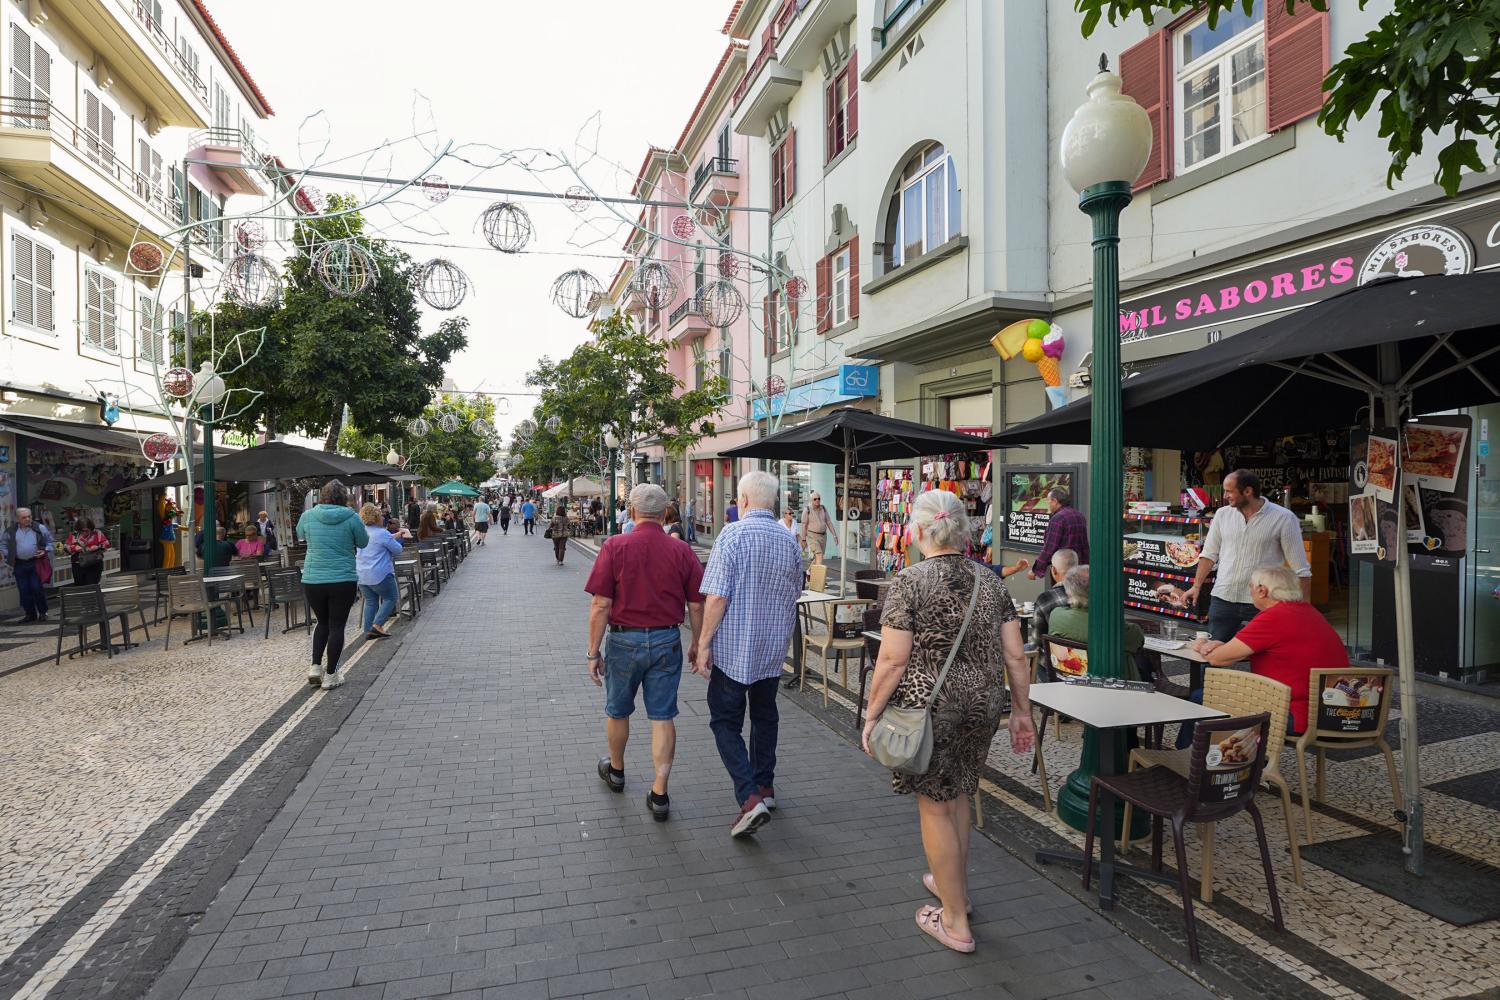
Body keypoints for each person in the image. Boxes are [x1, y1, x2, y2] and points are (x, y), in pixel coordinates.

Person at [860, 489, 1035, 954]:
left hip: (929, 707)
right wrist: (1021, 711)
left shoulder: (909, 581)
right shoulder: (991, 581)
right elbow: (1016, 656)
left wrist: (871, 713)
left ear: (918, 532)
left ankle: (954, 920)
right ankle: (949, 885)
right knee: (958, 794)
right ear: (963, 530)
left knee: (935, 804)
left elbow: (893, 661)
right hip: (983, 703)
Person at [690, 471, 804, 838]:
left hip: (734, 650)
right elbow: (795, 589)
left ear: (742, 500)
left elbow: (717, 595)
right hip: (772, 649)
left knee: (725, 722)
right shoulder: (789, 541)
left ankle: (749, 797)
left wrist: (703, 643)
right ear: (773, 502)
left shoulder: (732, 536)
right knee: (765, 716)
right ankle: (765, 786)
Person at [583, 484, 705, 822]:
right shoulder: (681, 550)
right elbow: (696, 604)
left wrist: (593, 652)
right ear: (666, 512)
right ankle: (660, 791)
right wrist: (697, 642)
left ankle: (617, 771)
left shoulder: (615, 546)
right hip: (667, 640)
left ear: (633, 512)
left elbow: (601, 604)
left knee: (618, 711)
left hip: (624, 640)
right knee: (662, 716)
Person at [1187, 565, 1347, 738]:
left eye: (1251, 587)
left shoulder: (1274, 617)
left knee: (1200, 697)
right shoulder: (1308, 611)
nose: (1250, 592)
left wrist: (1204, 645)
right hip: (1334, 712)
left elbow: (1218, 659)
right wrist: (1223, 646)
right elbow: (1281, 648)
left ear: (1262, 590)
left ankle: (1189, 759)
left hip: (1298, 715)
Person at [1169, 470, 1312, 644]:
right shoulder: (1222, 514)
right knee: (1211, 654)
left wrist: (1304, 609)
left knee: (1264, 656)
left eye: (1229, 491)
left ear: (1248, 491)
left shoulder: (1284, 518)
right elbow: (1209, 554)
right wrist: (1196, 586)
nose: (1225, 495)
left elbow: (1302, 570)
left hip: (1263, 602)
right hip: (1223, 597)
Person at [297, 480, 369, 690]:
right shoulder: (352, 517)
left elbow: (301, 535)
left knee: (322, 622)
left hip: (313, 579)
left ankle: (315, 667)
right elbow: (363, 542)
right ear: (344, 497)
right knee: (337, 626)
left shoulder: (308, 516)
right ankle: (331, 675)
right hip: (342, 578)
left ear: (322, 495)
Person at [1044, 565, 1146, 674]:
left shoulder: (1056, 616)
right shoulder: (1114, 627)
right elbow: (1138, 642)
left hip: (1070, 682)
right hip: (1114, 684)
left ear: (1069, 591)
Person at [356, 503, 403, 639]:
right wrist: (398, 538)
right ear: (376, 517)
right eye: (381, 516)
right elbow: (398, 550)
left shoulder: (362, 532)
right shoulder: (382, 533)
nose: (383, 518)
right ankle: (377, 625)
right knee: (391, 598)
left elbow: (374, 543)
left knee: (371, 602)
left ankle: (368, 630)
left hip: (362, 574)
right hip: (380, 574)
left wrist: (392, 537)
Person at [1027, 488, 1089, 581]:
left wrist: (1035, 570)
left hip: (1063, 570)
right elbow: (1084, 545)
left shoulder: (1058, 519)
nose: (1048, 505)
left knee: (1060, 595)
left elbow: (1049, 548)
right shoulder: (1079, 515)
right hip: (1079, 569)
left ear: (1055, 501)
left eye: (1048, 501)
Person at [4, 507, 53, 621]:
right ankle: (30, 614)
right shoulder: (11, 530)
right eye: (24, 517)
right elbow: (3, 545)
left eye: (29, 516)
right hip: (19, 564)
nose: (27, 519)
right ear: (17, 519)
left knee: (36, 587)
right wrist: (9, 555)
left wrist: (44, 550)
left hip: (36, 562)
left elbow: (50, 542)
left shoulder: (39, 528)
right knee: (23, 589)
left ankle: (43, 612)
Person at [1031, 548, 1079, 640]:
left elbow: (1037, 642)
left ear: (1053, 570)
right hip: (1085, 652)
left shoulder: (1045, 599)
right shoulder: (1090, 595)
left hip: (1054, 653)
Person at [64, 517, 110, 586]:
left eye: (87, 531)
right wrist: (75, 548)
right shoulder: (74, 535)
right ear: (78, 529)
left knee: (92, 585)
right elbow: (66, 547)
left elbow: (106, 544)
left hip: (94, 564)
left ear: (91, 528)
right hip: (78, 565)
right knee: (80, 587)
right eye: (82, 531)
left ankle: (93, 596)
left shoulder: (97, 533)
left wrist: (97, 547)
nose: (85, 533)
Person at [799, 492, 831, 563]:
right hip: (812, 535)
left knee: (819, 556)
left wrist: (835, 535)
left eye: (819, 499)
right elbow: (804, 525)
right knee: (819, 554)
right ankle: (818, 574)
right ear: (811, 500)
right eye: (815, 499)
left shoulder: (823, 508)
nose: (817, 500)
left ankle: (809, 571)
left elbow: (828, 522)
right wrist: (803, 540)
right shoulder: (807, 510)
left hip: (823, 535)